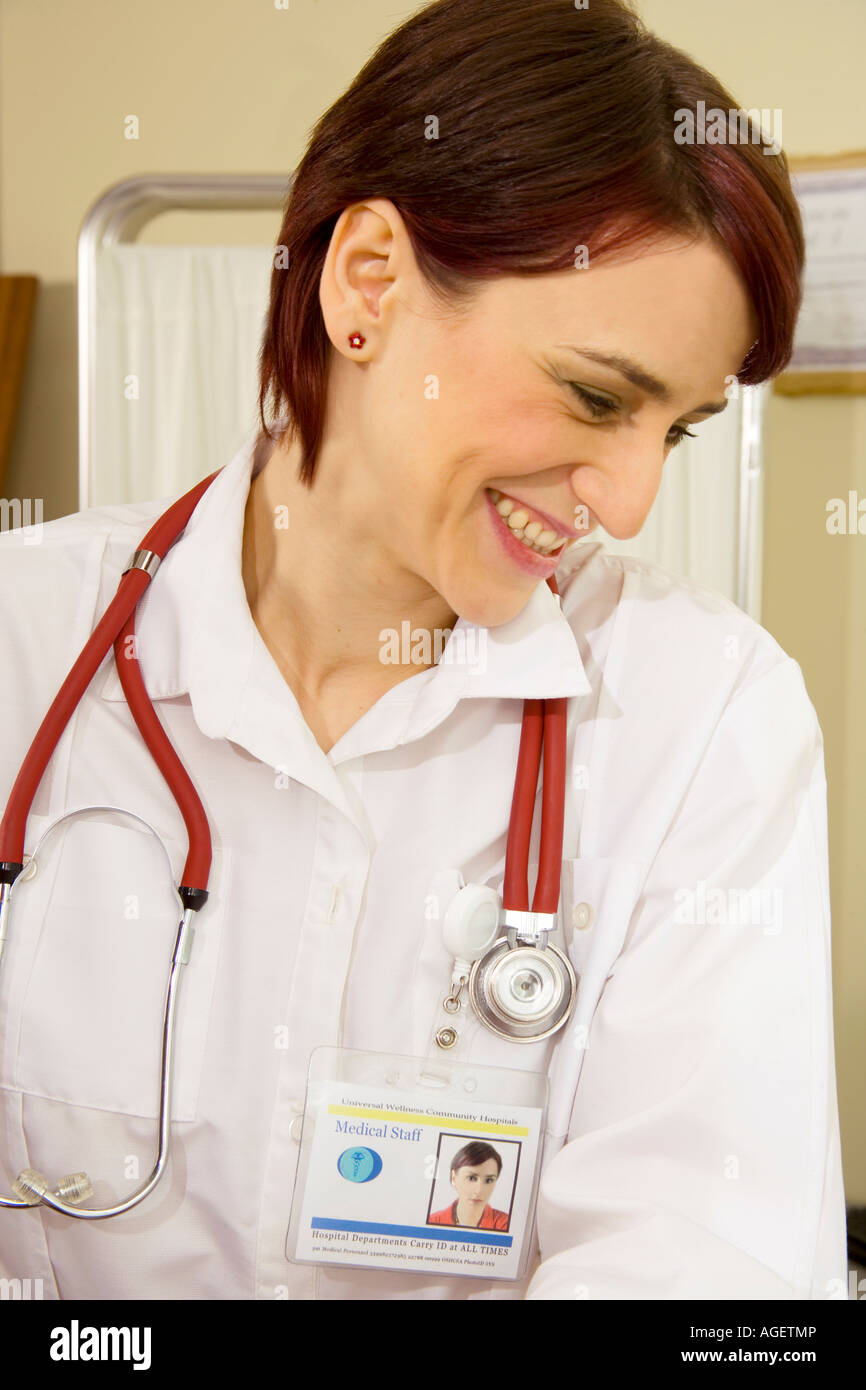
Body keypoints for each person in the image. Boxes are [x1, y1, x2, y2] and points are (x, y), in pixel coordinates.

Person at [0, 0, 847, 1300]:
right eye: (595, 394)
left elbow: (699, 1262)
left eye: (668, 430)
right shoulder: (25, 640)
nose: (624, 504)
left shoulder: (702, 718)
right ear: (368, 282)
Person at [429, 1142, 510, 1231]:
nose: (479, 1190)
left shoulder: (506, 1224)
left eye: (489, 1180)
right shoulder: (433, 1221)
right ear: (454, 1178)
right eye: (471, 1178)